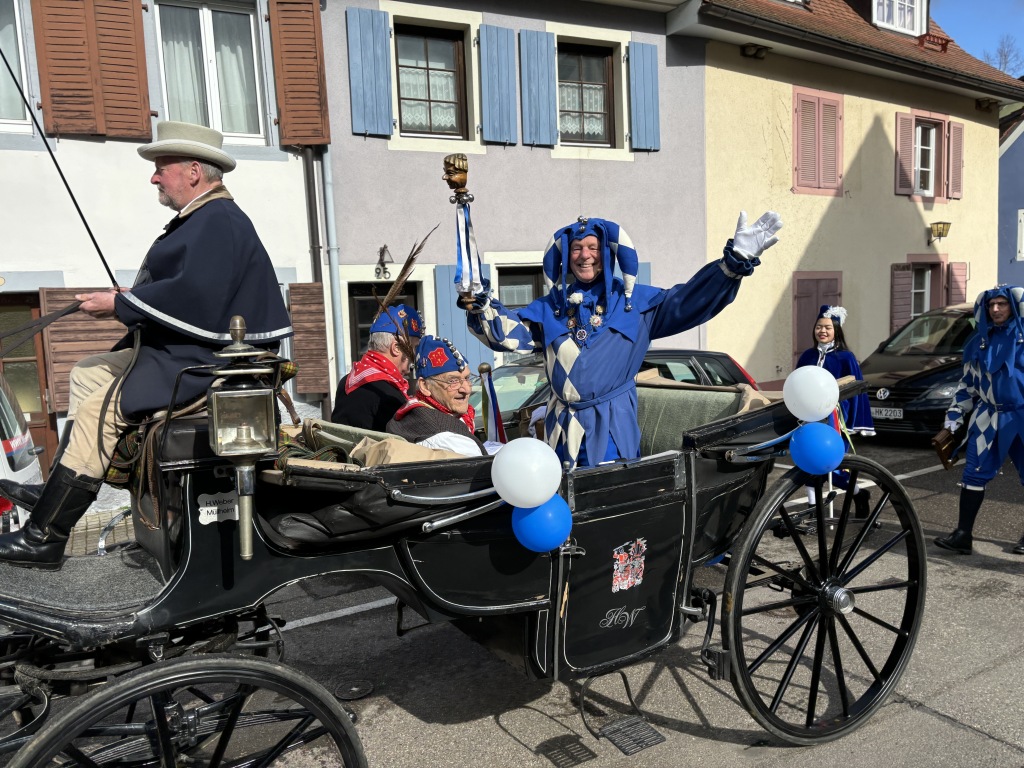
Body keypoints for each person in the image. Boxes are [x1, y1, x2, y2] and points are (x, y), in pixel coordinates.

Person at [0, 121, 292, 569]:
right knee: (87, 371)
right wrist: (126, 303)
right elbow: (185, 291)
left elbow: (196, 297)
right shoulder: (205, 218)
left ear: (194, 171)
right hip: (192, 351)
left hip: (209, 362)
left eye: (162, 168)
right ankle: (60, 486)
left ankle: (45, 537)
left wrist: (121, 303)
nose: (154, 177)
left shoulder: (218, 220)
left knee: (102, 406)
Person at [458, 212, 782, 467]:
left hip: (611, 427)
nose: (585, 255)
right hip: (559, 430)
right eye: (576, 248)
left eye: (593, 247)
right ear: (565, 256)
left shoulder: (637, 303)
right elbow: (507, 335)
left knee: (607, 509)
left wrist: (734, 262)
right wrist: (479, 304)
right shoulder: (550, 308)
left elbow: (690, 301)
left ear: (608, 253)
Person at [935, 286, 1024, 555]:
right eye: (991, 305)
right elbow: (967, 386)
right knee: (973, 472)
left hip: (1022, 416)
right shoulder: (977, 342)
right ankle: (963, 535)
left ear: (1013, 306)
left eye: (1002, 304)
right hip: (989, 416)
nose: (995, 309)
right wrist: (953, 416)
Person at [795, 305, 875, 517]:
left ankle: (858, 494)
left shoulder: (846, 357)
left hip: (836, 417)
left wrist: (857, 421)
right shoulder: (807, 356)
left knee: (834, 465)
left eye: (827, 327)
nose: (822, 331)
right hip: (809, 416)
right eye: (819, 326)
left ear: (836, 330)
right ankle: (813, 509)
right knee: (809, 459)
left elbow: (856, 389)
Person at [387, 335, 500, 456]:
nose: (466, 389)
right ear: (424, 386)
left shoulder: (415, 413)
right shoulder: (445, 437)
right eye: (452, 381)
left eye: (467, 378)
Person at [331, 304, 423, 431]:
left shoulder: (346, 381)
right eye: (413, 347)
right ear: (396, 348)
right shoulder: (388, 395)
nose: (415, 354)